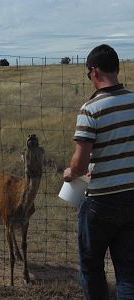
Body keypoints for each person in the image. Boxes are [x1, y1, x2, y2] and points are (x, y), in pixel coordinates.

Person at [63, 44, 134, 300]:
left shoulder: (90, 109)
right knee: (128, 273)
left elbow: (80, 165)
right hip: (132, 196)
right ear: (116, 68)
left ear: (94, 72)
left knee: (92, 268)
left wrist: (70, 173)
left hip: (101, 201)